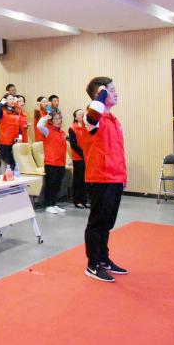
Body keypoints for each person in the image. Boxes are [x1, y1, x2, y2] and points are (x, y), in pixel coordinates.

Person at [83, 77, 128, 282]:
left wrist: (123, 176)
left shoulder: (113, 120)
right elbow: (93, 116)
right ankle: (93, 264)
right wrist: (101, 92)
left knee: (107, 223)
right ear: (99, 93)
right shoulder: (92, 117)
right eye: (110, 90)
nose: (115, 93)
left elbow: (118, 151)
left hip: (115, 178)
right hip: (100, 178)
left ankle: (103, 258)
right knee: (98, 223)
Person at [37, 111, 67, 214]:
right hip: (51, 163)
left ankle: (54, 203)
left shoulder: (62, 132)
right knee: (50, 185)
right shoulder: (47, 131)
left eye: (59, 119)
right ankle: (48, 205)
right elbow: (39, 126)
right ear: (51, 121)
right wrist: (45, 118)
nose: (58, 121)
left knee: (57, 185)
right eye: (56, 119)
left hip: (61, 163)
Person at [0, 94, 23, 172]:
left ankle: (12, 178)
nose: (12, 100)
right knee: (5, 162)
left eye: (13, 99)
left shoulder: (15, 111)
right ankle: (3, 178)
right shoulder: (1, 111)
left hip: (15, 140)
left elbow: (19, 125)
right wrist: (1, 103)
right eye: (10, 99)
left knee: (13, 163)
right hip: (5, 141)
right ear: (5, 101)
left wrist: (20, 136)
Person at [69, 108, 90, 208]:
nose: (82, 116)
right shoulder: (72, 128)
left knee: (85, 180)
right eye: (79, 115)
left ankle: (84, 200)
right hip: (78, 158)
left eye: (83, 114)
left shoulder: (87, 127)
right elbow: (73, 145)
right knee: (78, 180)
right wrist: (84, 154)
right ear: (75, 117)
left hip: (87, 157)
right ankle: (77, 200)